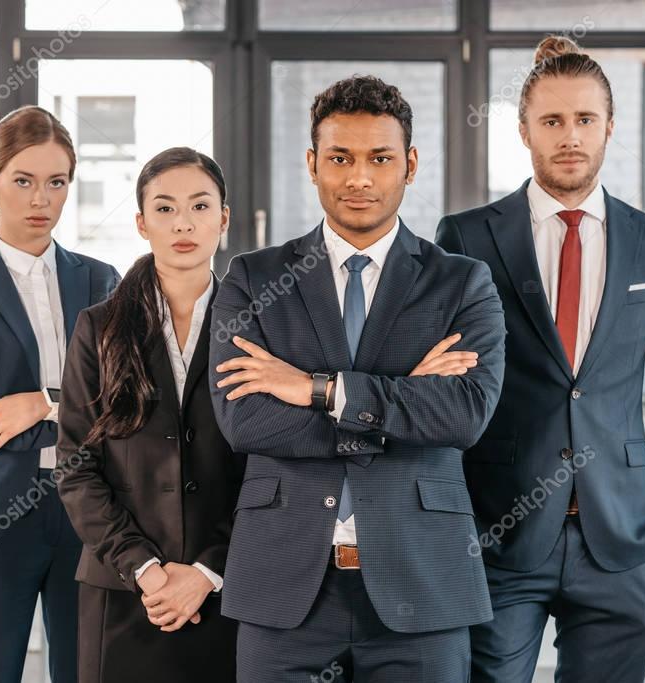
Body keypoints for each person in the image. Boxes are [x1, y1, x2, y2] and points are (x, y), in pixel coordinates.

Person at [210, 75, 506, 682]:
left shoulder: (461, 282)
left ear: (411, 164)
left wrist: (316, 390)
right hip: (284, 583)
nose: (360, 178)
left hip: (423, 581)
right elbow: (244, 420)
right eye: (340, 158)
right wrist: (402, 398)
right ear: (313, 164)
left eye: (380, 158)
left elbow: (464, 414)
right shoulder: (252, 277)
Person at [435, 36, 645, 683]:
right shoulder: (467, 238)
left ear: (609, 126)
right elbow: (441, 397)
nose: (569, 136)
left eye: (584, 119)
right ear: (524, 128)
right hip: (498, 537)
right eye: (551, 120)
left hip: (623, 542)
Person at [0, 106, 120, 683]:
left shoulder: (102, 280)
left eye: (56, 182)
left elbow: (127, 404)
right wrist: (77, 410)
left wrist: (39, 404)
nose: (42, 199)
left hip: (89, 510)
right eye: (24, 181)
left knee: (86, 672)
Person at [57, 146, 243, 683]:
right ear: (141, 223)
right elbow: (75, 465)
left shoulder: (262, 325)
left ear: (224, 219)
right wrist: (146, 569)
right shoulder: (99, 327)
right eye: (164, 209)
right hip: (124, 591)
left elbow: (271, 468)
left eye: (201, 206)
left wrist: (207, 569)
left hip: (227, 589)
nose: (183, 222)